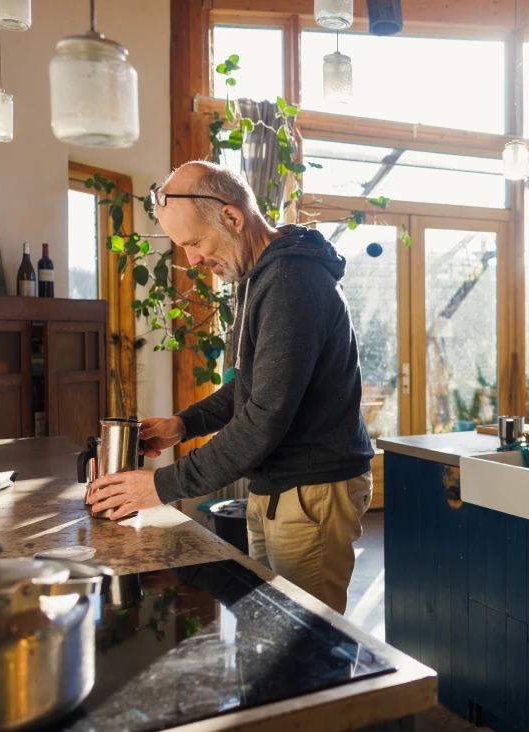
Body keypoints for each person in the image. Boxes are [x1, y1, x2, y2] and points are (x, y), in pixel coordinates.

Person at [87, 161, 376, 614]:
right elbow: (249, 383)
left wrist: (162, 485)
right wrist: (185, 424)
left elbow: (265, 416)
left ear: (232, 217)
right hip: (279, 486)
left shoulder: (290, 282)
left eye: (195, 242)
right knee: (270, 624)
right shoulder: (258, 277)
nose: (193, 261)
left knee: (307, 646)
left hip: (312, 489)